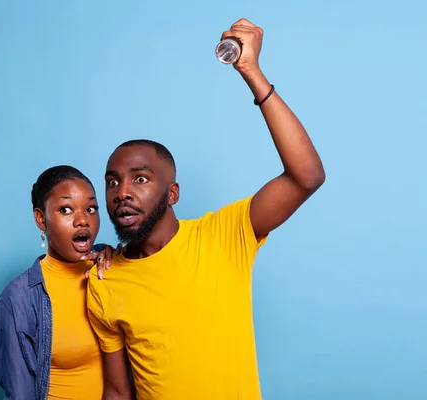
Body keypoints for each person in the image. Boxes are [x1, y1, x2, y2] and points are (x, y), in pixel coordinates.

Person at [86, 18, 326, 400]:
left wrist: (252, 72)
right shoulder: (104, 281)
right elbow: (118, 392)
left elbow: (306, 177)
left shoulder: (225, 234)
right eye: (112, 181)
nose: (122, 192)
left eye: (141, 179)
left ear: (173, 193)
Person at [0, 165, 115, 400]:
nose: (83, 220)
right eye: (66, 209)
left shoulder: (111, 266)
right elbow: (20, 393)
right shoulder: (18, 299)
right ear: (41, 219)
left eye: (91, 208)